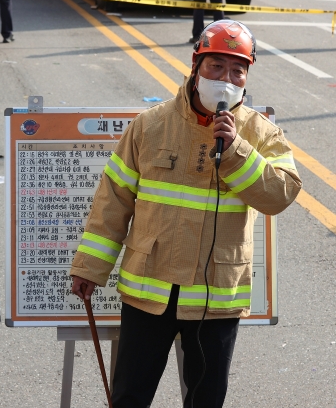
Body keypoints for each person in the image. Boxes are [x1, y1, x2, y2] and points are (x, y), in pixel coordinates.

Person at [70, 20, 301, 408]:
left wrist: (234, 151)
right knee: (129, 395)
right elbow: (114, 200)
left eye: (237, 71)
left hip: (216, 297)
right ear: (196, 66)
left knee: (206, 400)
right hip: (148, 289)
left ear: (247, 77)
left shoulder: (261, 134)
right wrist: (90, 266)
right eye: (216, 67)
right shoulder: (151, 124)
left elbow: (280, 195)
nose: (225, 80)